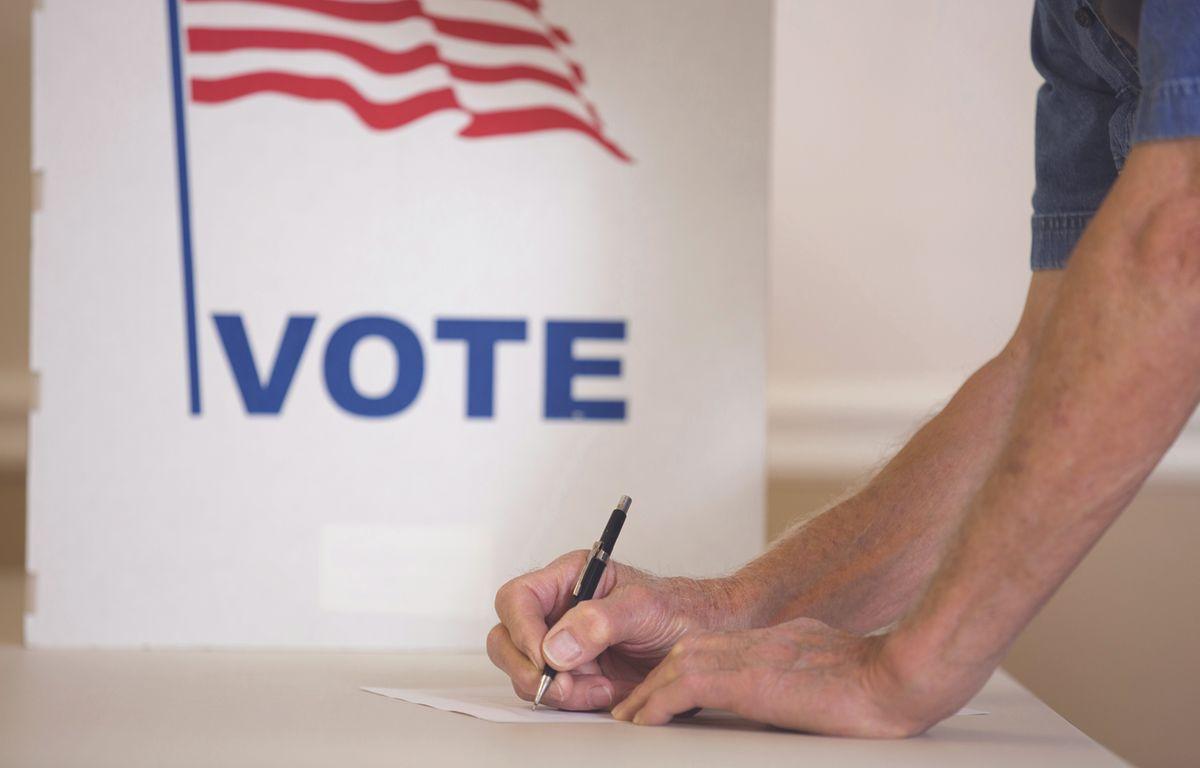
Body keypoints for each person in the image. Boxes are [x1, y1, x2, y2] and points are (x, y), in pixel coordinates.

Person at [487, 0, 1200, 737]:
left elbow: (1182, 242)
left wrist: (901, 675)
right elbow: (1054, 359)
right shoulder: (1077, 18)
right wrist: (727, 618)